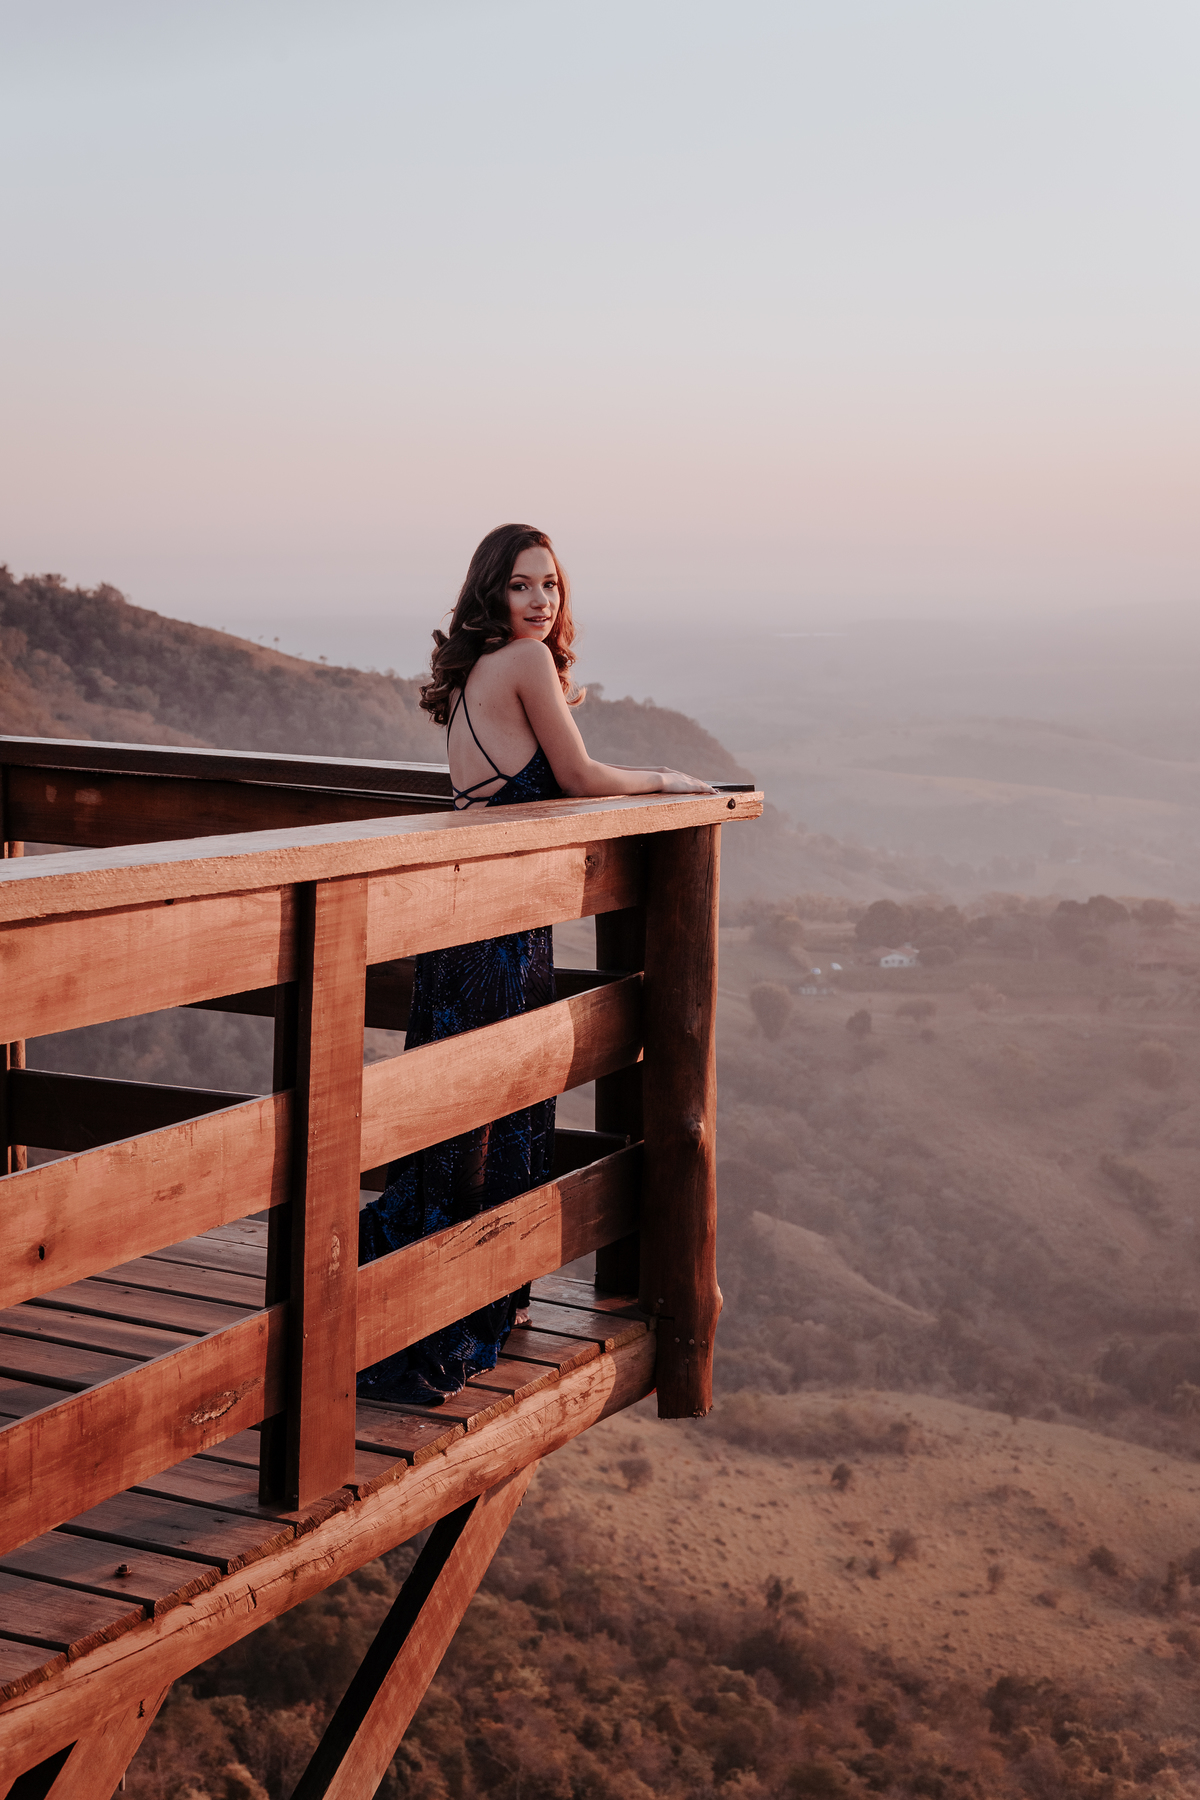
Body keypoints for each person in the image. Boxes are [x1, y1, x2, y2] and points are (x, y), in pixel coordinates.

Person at [357, 522, 713, 1406]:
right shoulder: (524, 665)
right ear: (492, 594)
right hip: (503, 924)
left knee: (457, 1119)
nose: (541, 601)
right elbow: (583, 778)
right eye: (522, 585)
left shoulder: (476, 675)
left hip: (466, 914)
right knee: (495, 1114)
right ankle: (450, 1313)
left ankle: (427, 1299)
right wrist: (666, 779)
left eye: (551, 585)